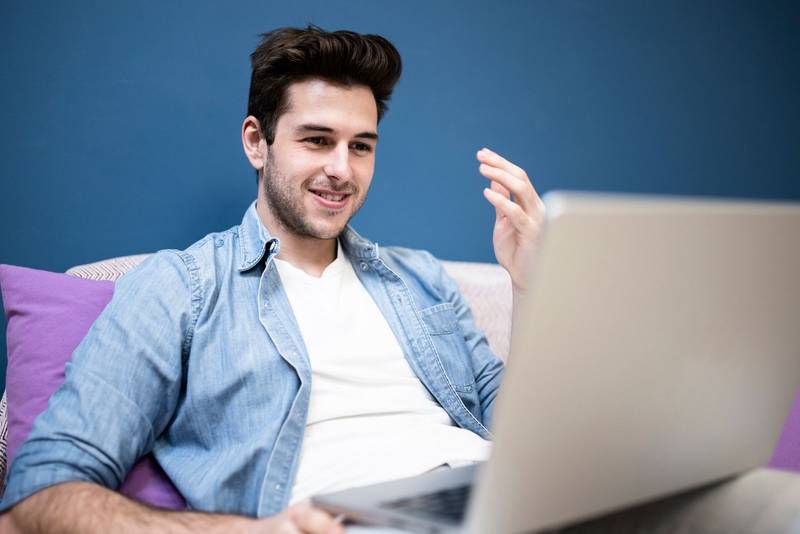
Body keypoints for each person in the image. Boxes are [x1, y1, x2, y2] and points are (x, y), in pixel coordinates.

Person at [0, 26, 544, 533]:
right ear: (256, 142)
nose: (342, 169)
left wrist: (531, 287)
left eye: (360, 146)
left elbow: (521, 430)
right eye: (316, 140)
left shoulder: (419, 276)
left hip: (502, 496)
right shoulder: (180, 288)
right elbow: (39, 492)